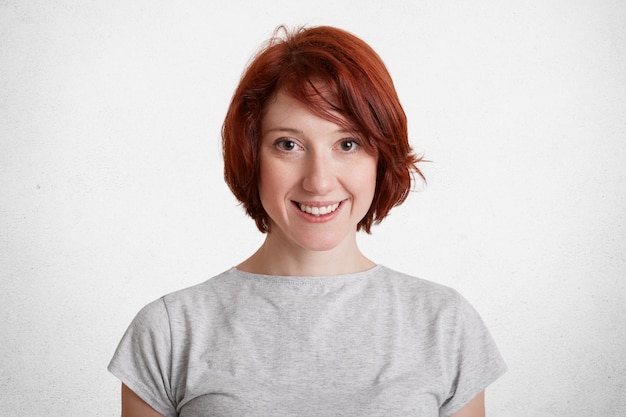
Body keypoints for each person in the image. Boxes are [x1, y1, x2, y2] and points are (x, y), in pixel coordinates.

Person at [109, 25, 506, 417]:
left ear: (381, 158)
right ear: (252, 155)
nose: (318, 181)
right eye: (288, 144)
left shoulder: (445, 323)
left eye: (347, 144)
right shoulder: (171, 331)